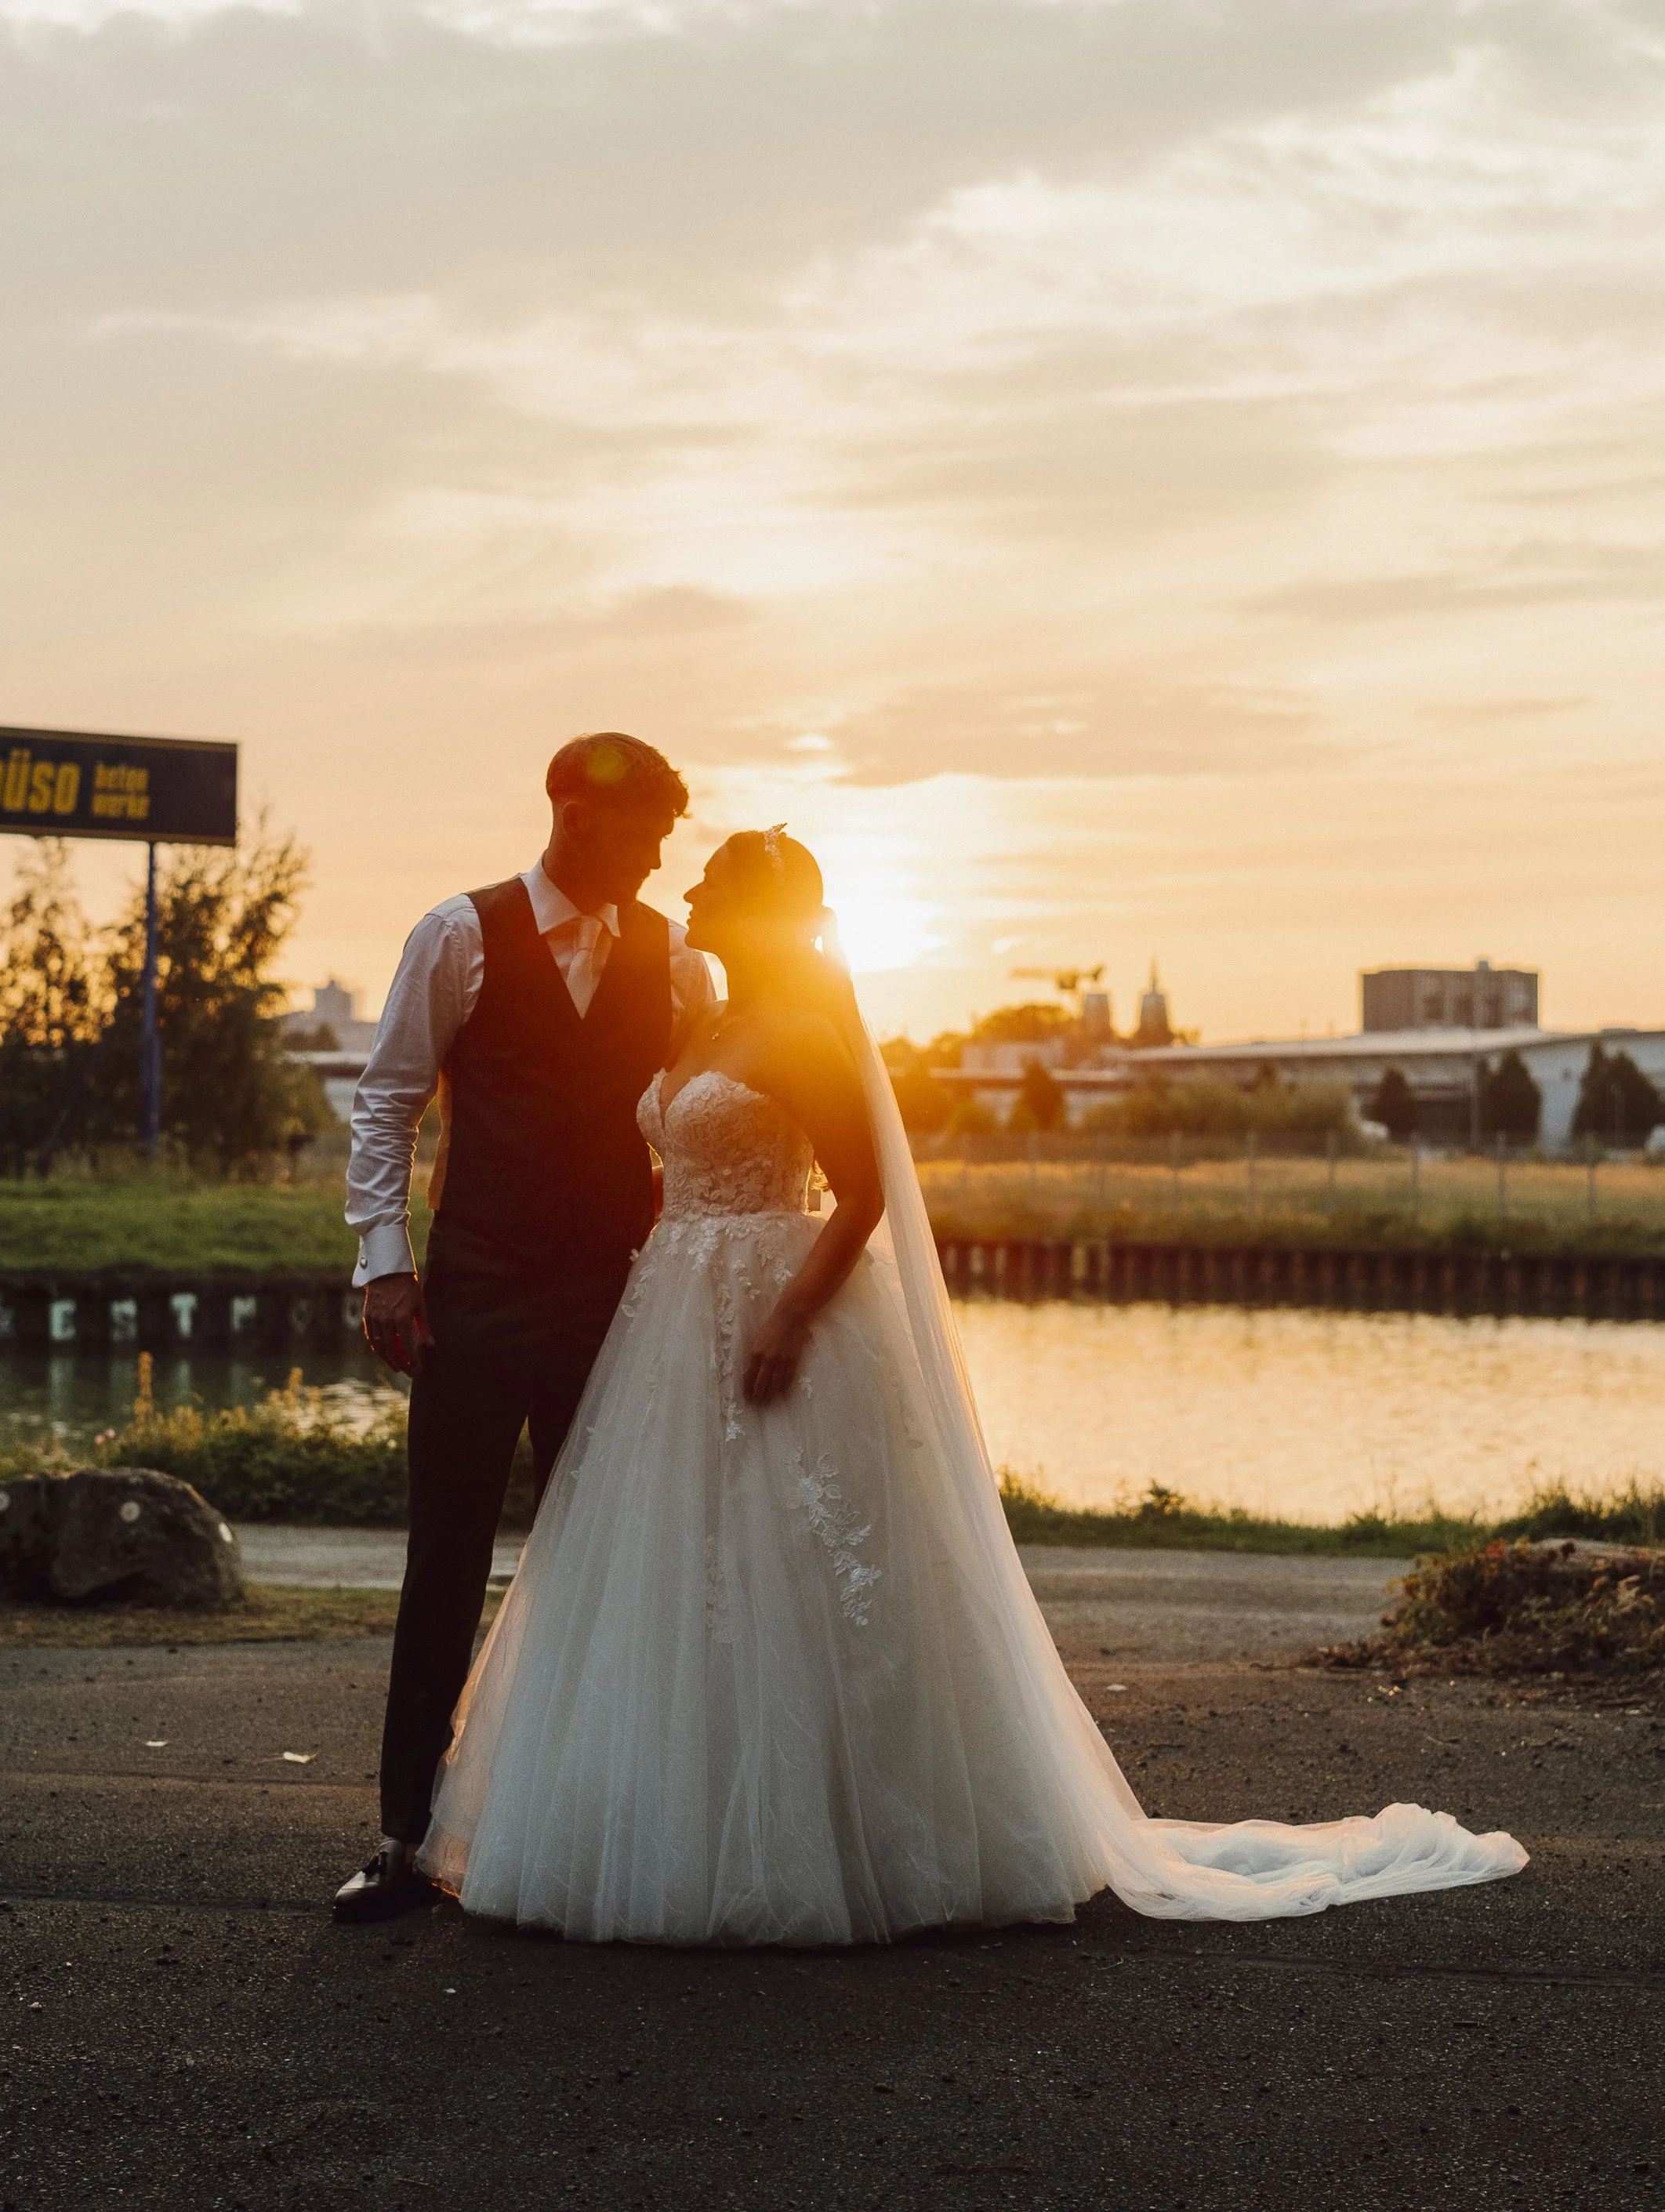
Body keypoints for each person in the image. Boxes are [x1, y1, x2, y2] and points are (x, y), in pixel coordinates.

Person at [417, 829, 1526, 1942]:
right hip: (673, 1310)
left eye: (711, 882)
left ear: (753, 909)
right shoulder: (701, 1017)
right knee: (676, 1568)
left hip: (772, 1303)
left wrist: (790, 1317)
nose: (689, 890)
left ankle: (849, 1833)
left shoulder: (804, 1030)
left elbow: (860, 1195)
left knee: (799, 1564)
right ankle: (667, 1817)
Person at [332, 732, 713, 1920]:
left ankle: (576, 1834)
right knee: (443, 1557)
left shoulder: (678, 960)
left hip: (615, 1300)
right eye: (647, 830)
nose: (658, 857)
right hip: (477, 1290)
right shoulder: (459, 933)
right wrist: (384, 1265)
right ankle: (405, 1833)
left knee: (595, 1574)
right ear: (576, 814)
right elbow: (388, 1097)